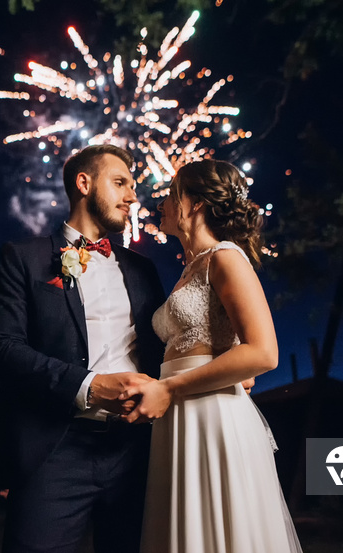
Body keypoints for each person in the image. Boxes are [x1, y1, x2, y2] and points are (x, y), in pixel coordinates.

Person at [0, 144, 166, 553]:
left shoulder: (144, 271)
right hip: (53, 449)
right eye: (120, 183)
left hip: (135, 452)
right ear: (84, 183)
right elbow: (2, 349)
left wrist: (223, 365)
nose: (133, 196)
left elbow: (169, 346)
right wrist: (90, 386)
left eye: (132, 186)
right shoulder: (22, 258)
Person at [120, 159, 304, 552]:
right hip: (176, 415)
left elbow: (264, 352)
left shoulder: (225, 257)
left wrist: (170, 387)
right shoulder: (189, 271)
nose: (163, 205)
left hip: (212, 414)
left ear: (195, 204)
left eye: (172, 196)